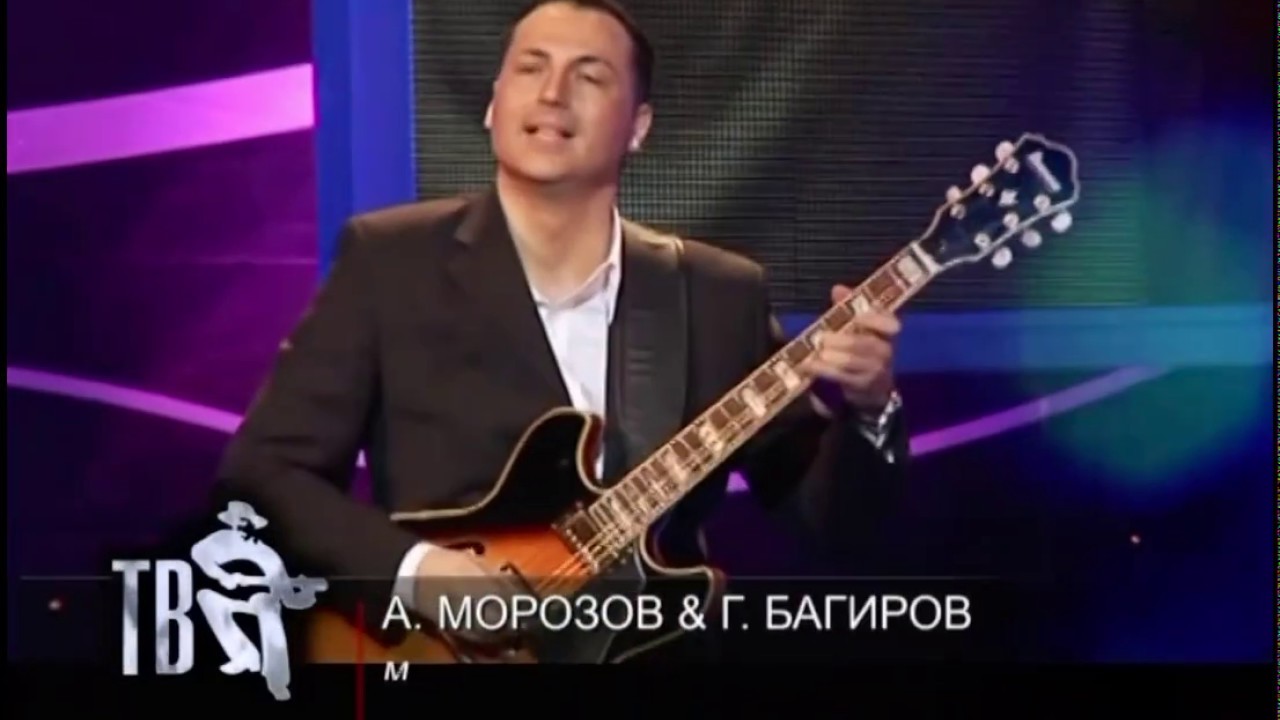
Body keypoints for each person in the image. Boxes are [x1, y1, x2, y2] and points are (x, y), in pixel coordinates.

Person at [215, 0, 909, 662]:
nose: (553, 94)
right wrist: (418, 572)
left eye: (589, 76)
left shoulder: (717, 293)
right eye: (531, 67)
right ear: (493, 105)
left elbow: (837, 527)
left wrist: (872, 409)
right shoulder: (389, 262)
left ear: (638, 126)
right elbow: (264, 474)